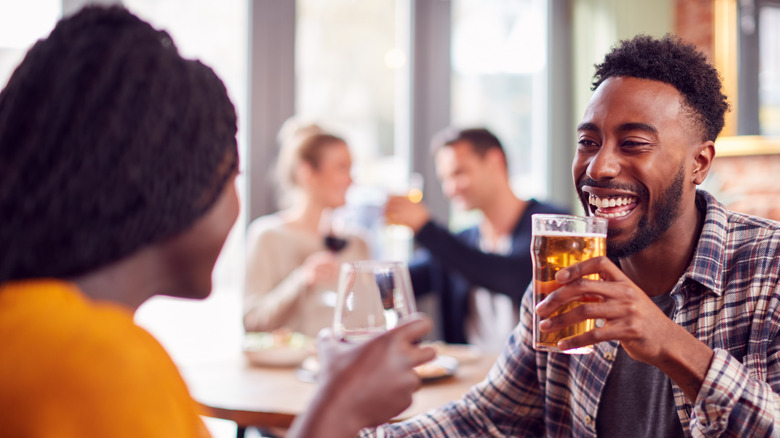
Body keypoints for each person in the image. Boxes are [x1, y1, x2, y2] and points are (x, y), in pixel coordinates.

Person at [0, 6, 434, 438]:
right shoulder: (97, 362)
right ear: (174, 182)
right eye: (232, 175)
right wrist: (342, 404)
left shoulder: (28, 329)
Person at [362, 34, 780, 436]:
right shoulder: (567, 272)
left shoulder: (770, 268)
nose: (599, 168)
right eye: (588, 141)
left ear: (699, 163)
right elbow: (489, 419)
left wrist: (673, 346)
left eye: (633, 143)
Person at [385, 127, 568, 351]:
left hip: (534, 379)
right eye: (445, 179)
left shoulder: (553, 224)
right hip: (472, 377)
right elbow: (399, 282)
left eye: (459, 173)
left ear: (495, 162)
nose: (450, 188)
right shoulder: (462, 242)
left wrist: (426, 229)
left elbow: (515, 277)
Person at [243, 120, 371, 338]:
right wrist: (302, 279)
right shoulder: (268, 236)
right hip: (286, 370)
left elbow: (371, 324)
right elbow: (252, 322)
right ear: (307, 172)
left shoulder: (357, 242)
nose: (352, 180)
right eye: (342, 168)